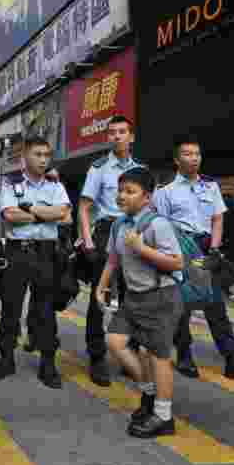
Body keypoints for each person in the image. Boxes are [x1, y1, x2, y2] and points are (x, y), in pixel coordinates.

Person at [153, 137, 234, 386]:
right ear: (177, 160)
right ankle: (184, 353)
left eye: (196, 153)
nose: (193, 158)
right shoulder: (164, 192)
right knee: (182, 306)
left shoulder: (211, 187)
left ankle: (233, 359)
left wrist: (215, 248)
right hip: (181, 251)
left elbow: (218, 219)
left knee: (215, 304)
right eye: (187, 154)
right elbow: (160, 227)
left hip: (207, 250)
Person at [98, 167, 184, 438]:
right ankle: (148, 393)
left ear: (146, 197)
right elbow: (113, 258)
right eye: (120, 191)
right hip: (133, 297)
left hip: (161, 297)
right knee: (114, 342)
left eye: (130, 191)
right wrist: (101, 285)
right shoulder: (119, 224)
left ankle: (163, 416)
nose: (122, 196)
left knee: (158, 357)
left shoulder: (158, 224)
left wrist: (141, 248)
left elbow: (176, 262)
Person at [0, 136, 71, 388]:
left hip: (46, 252)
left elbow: (66, 217)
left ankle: (48, 364)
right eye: (38, 154)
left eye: (47, 155)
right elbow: (9, 215)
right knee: (11, 308)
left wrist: (31, 211)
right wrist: (46, 215)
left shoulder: (55, 185)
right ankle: (6, 359)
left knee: (46, 310)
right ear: (25, 156)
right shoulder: (10, 183)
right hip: (18, 252)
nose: (43, 160)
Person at [78, 115, 141, 386]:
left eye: (122, 131)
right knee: (98, 298)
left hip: (134, 235)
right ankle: (96, 357)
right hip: (106, 233)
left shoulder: (140, 170)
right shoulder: (99, 168)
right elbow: (83, 207)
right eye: (112, 132)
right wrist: (89, 243)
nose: (117, 136)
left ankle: (130, 353)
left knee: (135, 296)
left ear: (131, 136)